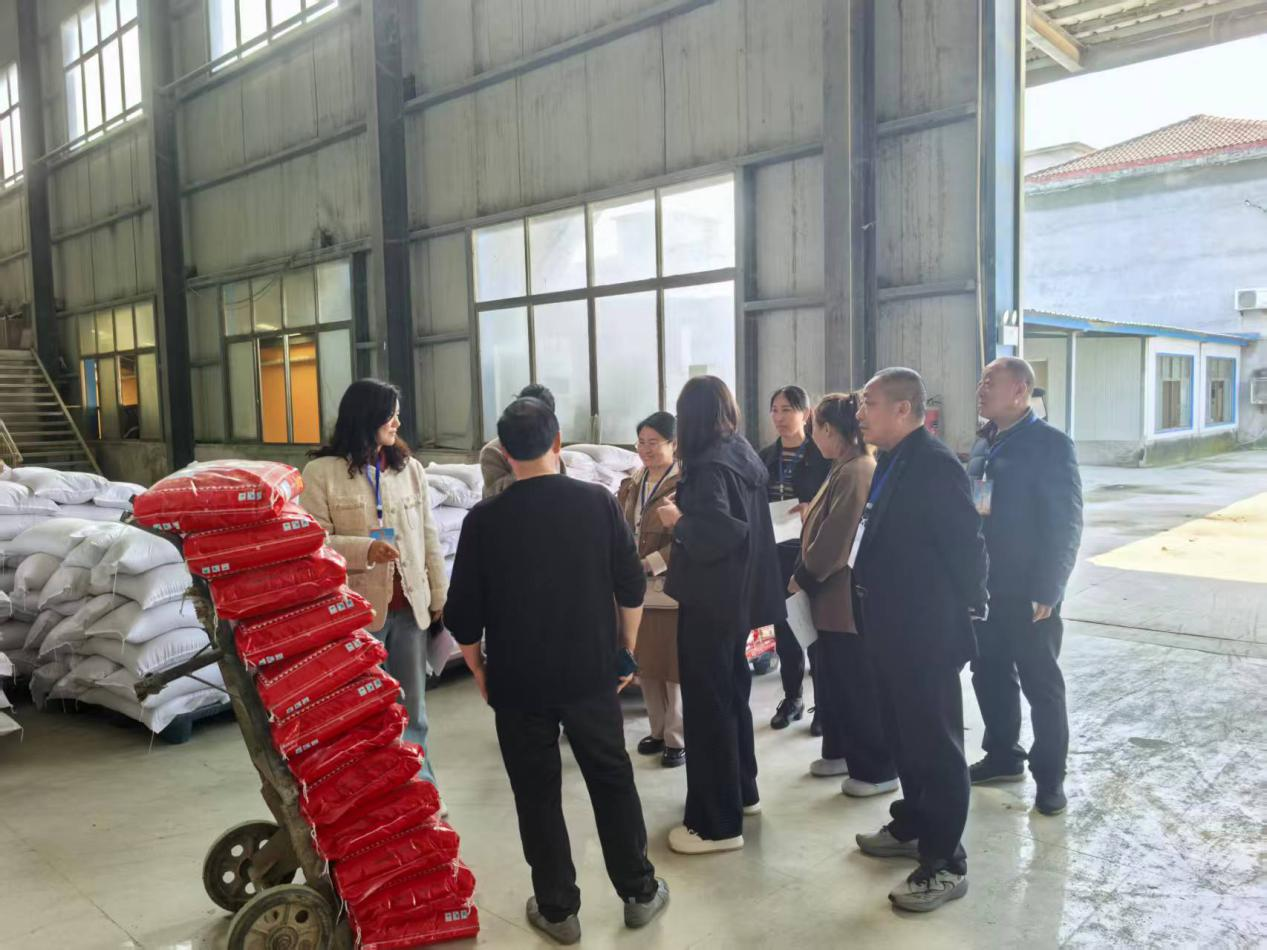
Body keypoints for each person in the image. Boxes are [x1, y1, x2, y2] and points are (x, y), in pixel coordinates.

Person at [445, 397, 669, 945]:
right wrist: (626, 649)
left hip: (518, 680)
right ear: (558, 442)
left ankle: (557, 909)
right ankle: (639, 892)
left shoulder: (484, 519)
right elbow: (630, 585)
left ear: (504, 452)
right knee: (611, 778)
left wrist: (479, 669)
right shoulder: (596, 504)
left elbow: (463, 615)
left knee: (536, 792)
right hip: (590, 671)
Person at [851, 367, 988, 913]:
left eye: (869, 403)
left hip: (925, 633)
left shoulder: (934, 464)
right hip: (889, 626)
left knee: (935, 745)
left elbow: (967, 546)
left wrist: (971, 608)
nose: (860, 413)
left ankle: (946, 862)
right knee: (904, 737)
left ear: (904, 409)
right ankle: (914, 824)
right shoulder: (892, 459)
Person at [300, 379, 448, 794]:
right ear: (366, 418)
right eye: (390, 415)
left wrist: (439, 595)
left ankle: (419, 790)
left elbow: (429, 535)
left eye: (397, 414)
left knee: (414, 708)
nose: (397, 422)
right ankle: (373, 792)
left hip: (410, 607)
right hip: (356, 613)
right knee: (363, 710)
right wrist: (365, 549)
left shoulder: (409, 469)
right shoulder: (322, 474)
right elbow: (313, 542)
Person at [658, 376, 784, 855]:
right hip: (740, 600)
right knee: (732, 697)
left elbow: (718, 534)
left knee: (708, 707)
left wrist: (679, 522)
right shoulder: (740, 451)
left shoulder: (709, 465)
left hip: (710, 602)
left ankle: (715, 824)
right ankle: (741, 791)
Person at [967, 357, 1082, 817]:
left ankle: (1050, 779)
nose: (980, 389)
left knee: (1042, 685)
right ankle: (1002, 756)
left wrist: (1050, 588)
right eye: (981, 381)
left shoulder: (1050, 445)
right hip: (986, 588)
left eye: (989, 382)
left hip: (1030, 593)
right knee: (988, 674)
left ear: (1020, 391)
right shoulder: (985, 442)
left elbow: (1066, 522)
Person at [788, 393, 897, 796]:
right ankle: (840, 751)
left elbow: (838, 538)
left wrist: (804, 576)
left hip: (842, 597)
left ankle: (876, 769)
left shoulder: (857, 470)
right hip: (828, 598)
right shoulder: (843, 466)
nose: (812, 437)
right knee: (832, 681)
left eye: (814, 428)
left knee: (856, 685)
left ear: (830, 430)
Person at [759, 386, 831, 732]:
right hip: (776, 554)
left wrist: (811, 508)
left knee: (815, 631)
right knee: (785, 630)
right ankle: (792, 699)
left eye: (787, 409)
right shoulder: (765, 457)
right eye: (774, 410)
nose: (779, 417)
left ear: (806, 413)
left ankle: (825, 705)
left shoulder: (822, 455)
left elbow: (834, 501)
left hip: (811, 552)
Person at [617, 411, 685, 768]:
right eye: (641, 442)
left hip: (670, 587)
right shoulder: (634, 481)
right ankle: (657, 730)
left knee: (672, 666)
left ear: (674, 444)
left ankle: (677, 737)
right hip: (637, 588)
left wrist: (650, 563)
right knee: (646, 664)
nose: (645, 449)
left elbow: (686, 539)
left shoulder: (685, 483)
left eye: (654, 443)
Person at [480, 383, 567, 498]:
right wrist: (526, 464)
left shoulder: (550, 446)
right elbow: (493, 495)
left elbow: (562, 485)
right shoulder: (492, 451)